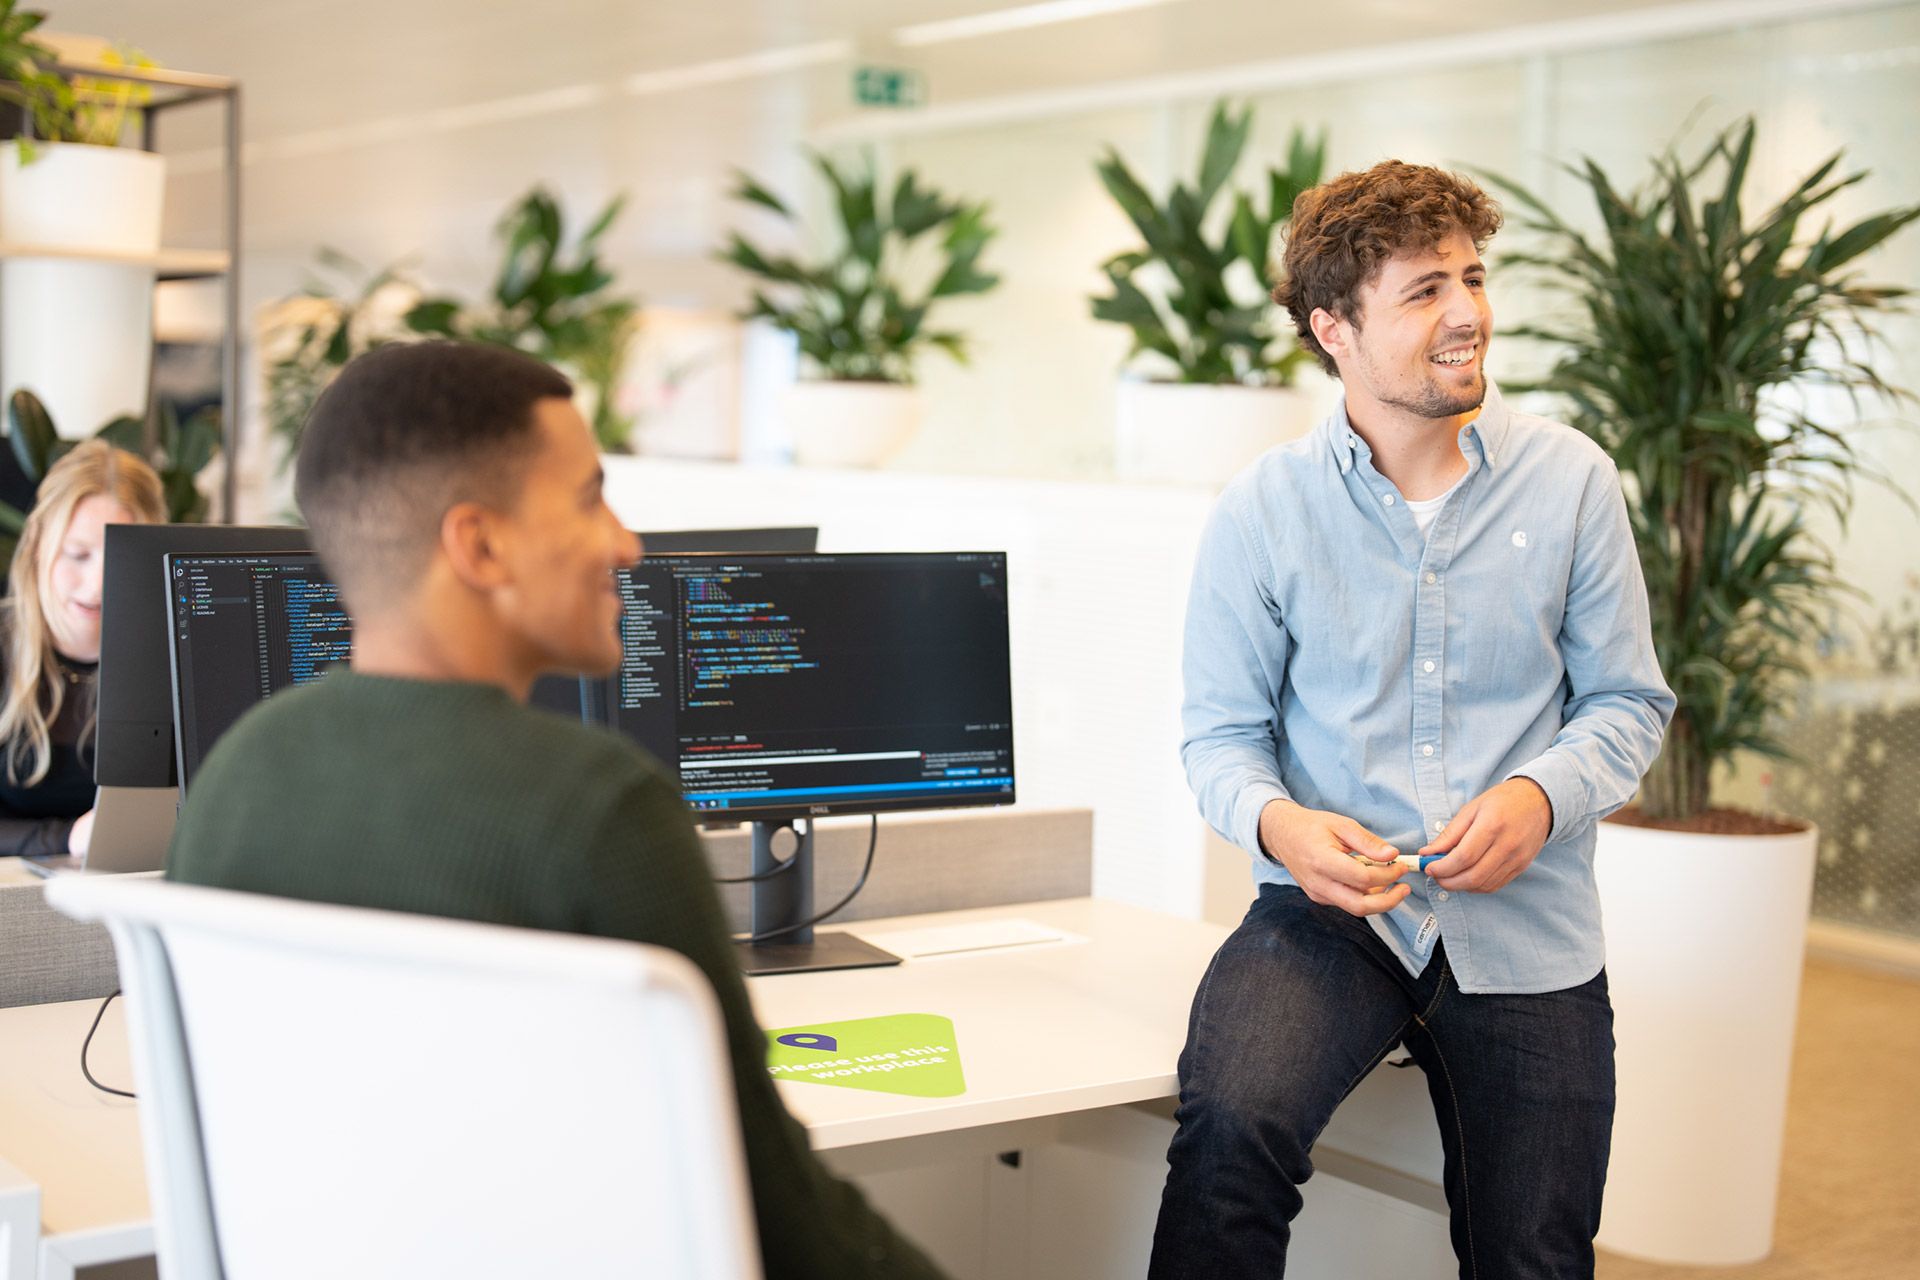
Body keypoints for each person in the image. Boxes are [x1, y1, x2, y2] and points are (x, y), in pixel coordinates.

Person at [163, 341, 944, 1280]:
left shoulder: (236, 777)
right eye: (588, 498)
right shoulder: (599, 814)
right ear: (480, 545)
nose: (626, 543)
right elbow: (773, 1212)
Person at [1148, 161, 1676, 1279]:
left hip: (1528, 925)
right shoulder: (1262, 510)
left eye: (1474, 277)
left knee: (1534, 1250)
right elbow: (1219, 738)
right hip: (1330, 915)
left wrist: (1543, 793)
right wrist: (1284, 828)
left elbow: (1629, 701)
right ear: (1332, 325)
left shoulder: (1572, 481)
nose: (1469, 313)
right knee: (1229, 1141)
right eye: (1426, 289)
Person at [1, 441, 166, 859]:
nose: (97, 586)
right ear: (39, 545)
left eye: (119, 561)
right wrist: (66, 838)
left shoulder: (170, 658)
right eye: (77, 555)